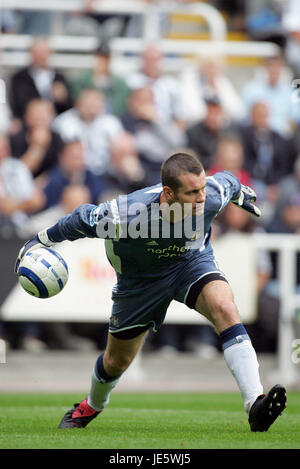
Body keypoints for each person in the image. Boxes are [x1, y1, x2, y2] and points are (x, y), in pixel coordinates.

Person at [14, 152, 286, 432]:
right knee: (116, 361)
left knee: (226, 309)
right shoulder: (125, 214)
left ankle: (255, 403)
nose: (202, 197)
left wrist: (240, 193)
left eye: (203, 188)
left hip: (189, 264)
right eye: (192, 192)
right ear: (168, 193)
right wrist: (38, 241)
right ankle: (90, 406)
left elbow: (228, 181)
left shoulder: (212, 193)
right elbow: (79, 220)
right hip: (139, 282)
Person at [9, 38, 73, 122]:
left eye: (44, 52)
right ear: (31, 53)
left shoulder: (60, 77)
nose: (41, 56)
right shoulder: (20, 78)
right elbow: (19, 104)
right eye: (38, 52)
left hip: (57, 121)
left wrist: (62, 99)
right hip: (29, 123)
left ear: (50, 53)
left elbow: (69, 105)